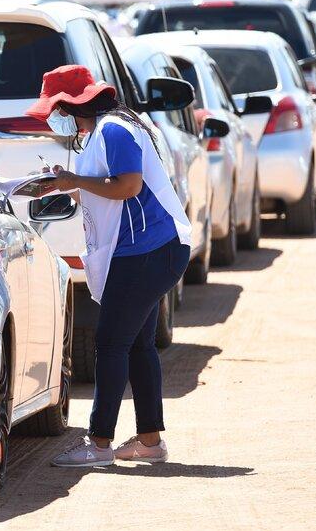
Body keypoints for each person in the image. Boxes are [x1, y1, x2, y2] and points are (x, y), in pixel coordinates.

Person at [24, 65, 192, 467]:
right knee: (136, 344)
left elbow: (128, 187)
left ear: (70, 105)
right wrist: (65, 183)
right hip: (150, 252)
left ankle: (98, 444)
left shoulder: (113, 129)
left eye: (56, 109)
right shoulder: (107, 129)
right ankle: (149, 442)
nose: (54, 117)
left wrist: (75, 182)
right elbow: (111, 192)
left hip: (147, 254)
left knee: (111, 344)